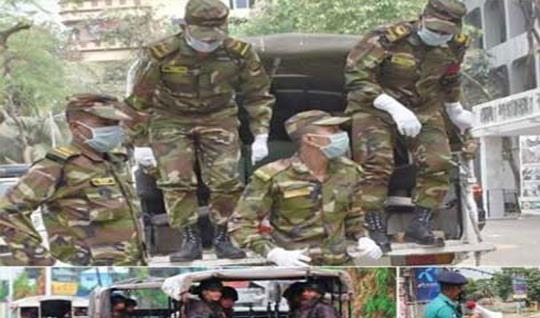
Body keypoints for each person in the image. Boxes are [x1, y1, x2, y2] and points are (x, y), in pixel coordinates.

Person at [125, 0, 275, 262]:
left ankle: (223, 237)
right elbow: (140, 100)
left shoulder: (239, 53)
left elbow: (258, 95)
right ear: (187, 27)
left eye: (214, 36)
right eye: (202, 36)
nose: (208, 43)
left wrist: (261, 134)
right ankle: (189, 239)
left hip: (219, 116)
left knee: (227, 180)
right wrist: (139, 141)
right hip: (170, 118)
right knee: (176, 181)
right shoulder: (161, 53)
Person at [345, 0, 473, 251]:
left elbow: (450, 77)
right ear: (422, 18)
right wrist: (393, 107)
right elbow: (356, 77)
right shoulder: (386, 38)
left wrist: (454, 108)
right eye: (435, 30)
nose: (439, 37)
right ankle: (375, 228)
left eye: (445, 33)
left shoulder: (456, 44)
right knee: (376, 165)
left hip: (424, 108)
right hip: (374, 107)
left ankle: (420, 224)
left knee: (439, 162)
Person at [0, 94, 145, 266]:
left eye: (116, 124)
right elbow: (7, 211)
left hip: (130, 267)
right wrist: (38, 260)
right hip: (85, 272)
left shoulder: (116, 162)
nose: (114, 130)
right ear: (76, 128)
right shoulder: (57, 166)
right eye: (104, 124)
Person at [229, 110, 382, 266]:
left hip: (339, 264)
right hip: (295, 264)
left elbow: (354, 214)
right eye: (333, 131)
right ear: (310, 139)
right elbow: (241, 224)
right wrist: (273, 253)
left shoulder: (348, 171)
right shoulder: (273, 176)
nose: (342, 134)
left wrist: (363, 238)